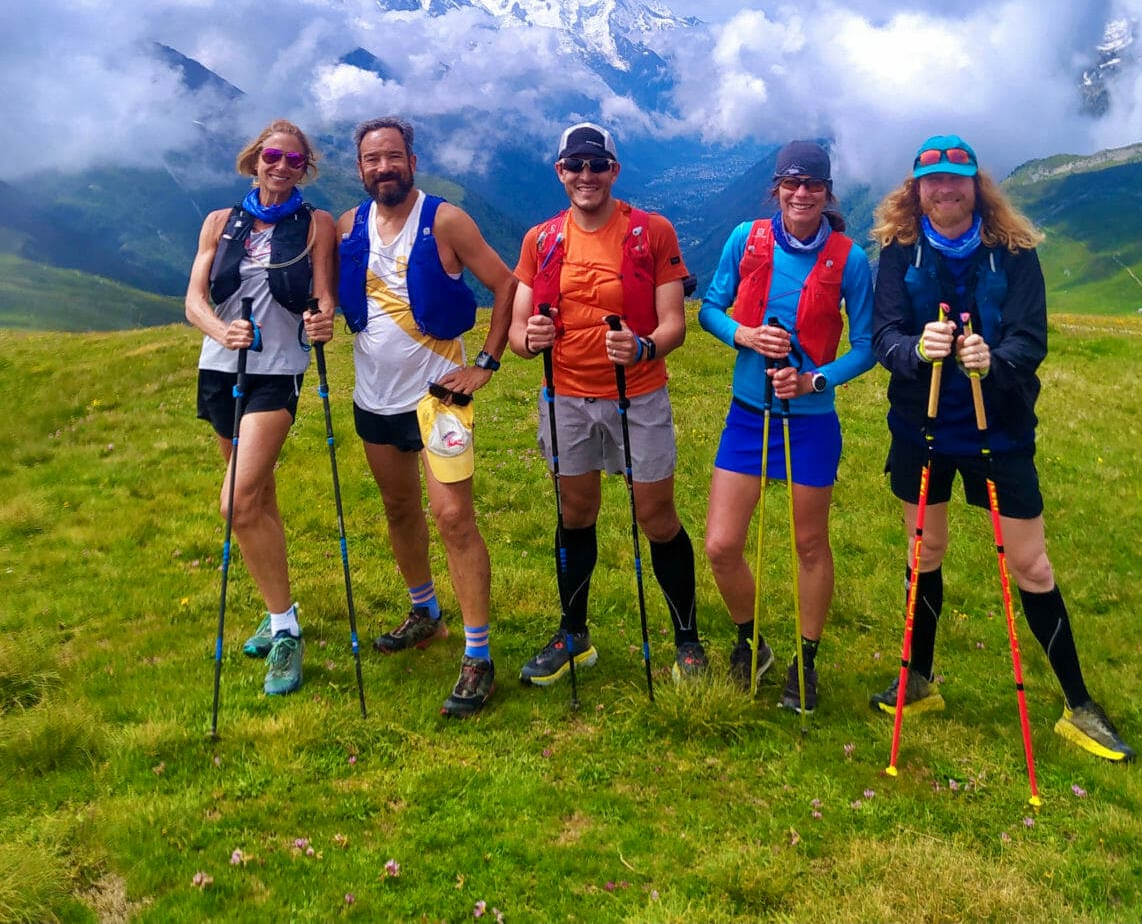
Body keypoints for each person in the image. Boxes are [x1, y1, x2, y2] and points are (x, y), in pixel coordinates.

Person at [868, 134, 1134, 761]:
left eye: (956, 179)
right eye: (932, 181)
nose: (944, 190)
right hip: (921, 429)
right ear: (917, 188)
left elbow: (1030, 339)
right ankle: (920, 680)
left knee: (1031, 565)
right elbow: (882, 334)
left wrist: (997, 359)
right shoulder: (897, 250)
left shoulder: (1012, 252)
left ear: (975, 184)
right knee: (925, 550)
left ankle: (1079, 704)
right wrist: (914, 351)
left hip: (1001, 430)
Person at [508, 122, 707, 686]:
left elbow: (674, 326)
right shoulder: (541, 239)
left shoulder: (651, 232)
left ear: (614, 171)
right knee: (575, 514)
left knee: (656, 517)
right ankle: (574, 634)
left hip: (637, 394)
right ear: (560, 172)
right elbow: (522, 334)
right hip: (565, 394)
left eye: (598, 165)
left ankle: (687, 640)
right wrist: (531, 342)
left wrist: (642, 347)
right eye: (575, 166)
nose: (586, 176)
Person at [336, 117, 516, 719]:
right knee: (398, 509)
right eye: (372, 159)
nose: (383, 167)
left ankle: (478, 654)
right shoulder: (345, 227)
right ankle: (424, 613)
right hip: (374, 397)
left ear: (412, 159)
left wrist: (486, 363)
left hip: (439, 397)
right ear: (359, 168)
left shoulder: (445, 220)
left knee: (453, 517)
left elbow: (504, 282)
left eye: (393, 156)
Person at [699, 141, 875, 713]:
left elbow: (869, 346)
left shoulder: (849, 259)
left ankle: (807, 660)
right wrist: (744, 336)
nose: (802, 194)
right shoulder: (745, 239)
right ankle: (752, 642)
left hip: (811, 423)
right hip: (748, 415)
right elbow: (709, 308)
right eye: (792, 184)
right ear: (776, 188)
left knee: (808, 544)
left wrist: (814, 381)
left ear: (827, 193)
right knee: (722, 546)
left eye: (814, 186)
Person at [186, 118, 336, 697]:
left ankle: (284, 631)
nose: (281, 167)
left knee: (237, 501)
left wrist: (322, 319)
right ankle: (281, 611)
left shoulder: (316, 224)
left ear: (305, 170)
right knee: (260, 496)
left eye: (294, 161)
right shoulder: (219, 223)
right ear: (254, 160)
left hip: (276, 372)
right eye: (272, 156)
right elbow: (195, 299)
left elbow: (324, 292)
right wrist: (220, 333)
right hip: (221, 369)